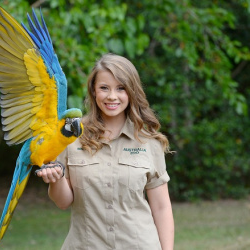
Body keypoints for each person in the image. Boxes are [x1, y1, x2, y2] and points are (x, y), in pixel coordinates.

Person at [37, 53, 174, 250]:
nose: (112, 96)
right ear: (93, 91)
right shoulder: (70, 136)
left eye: (121, 88)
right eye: (104, 88)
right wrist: (55, 179)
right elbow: (63, 202)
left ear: (132, 91)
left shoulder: (148, 141)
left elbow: (161, 207)